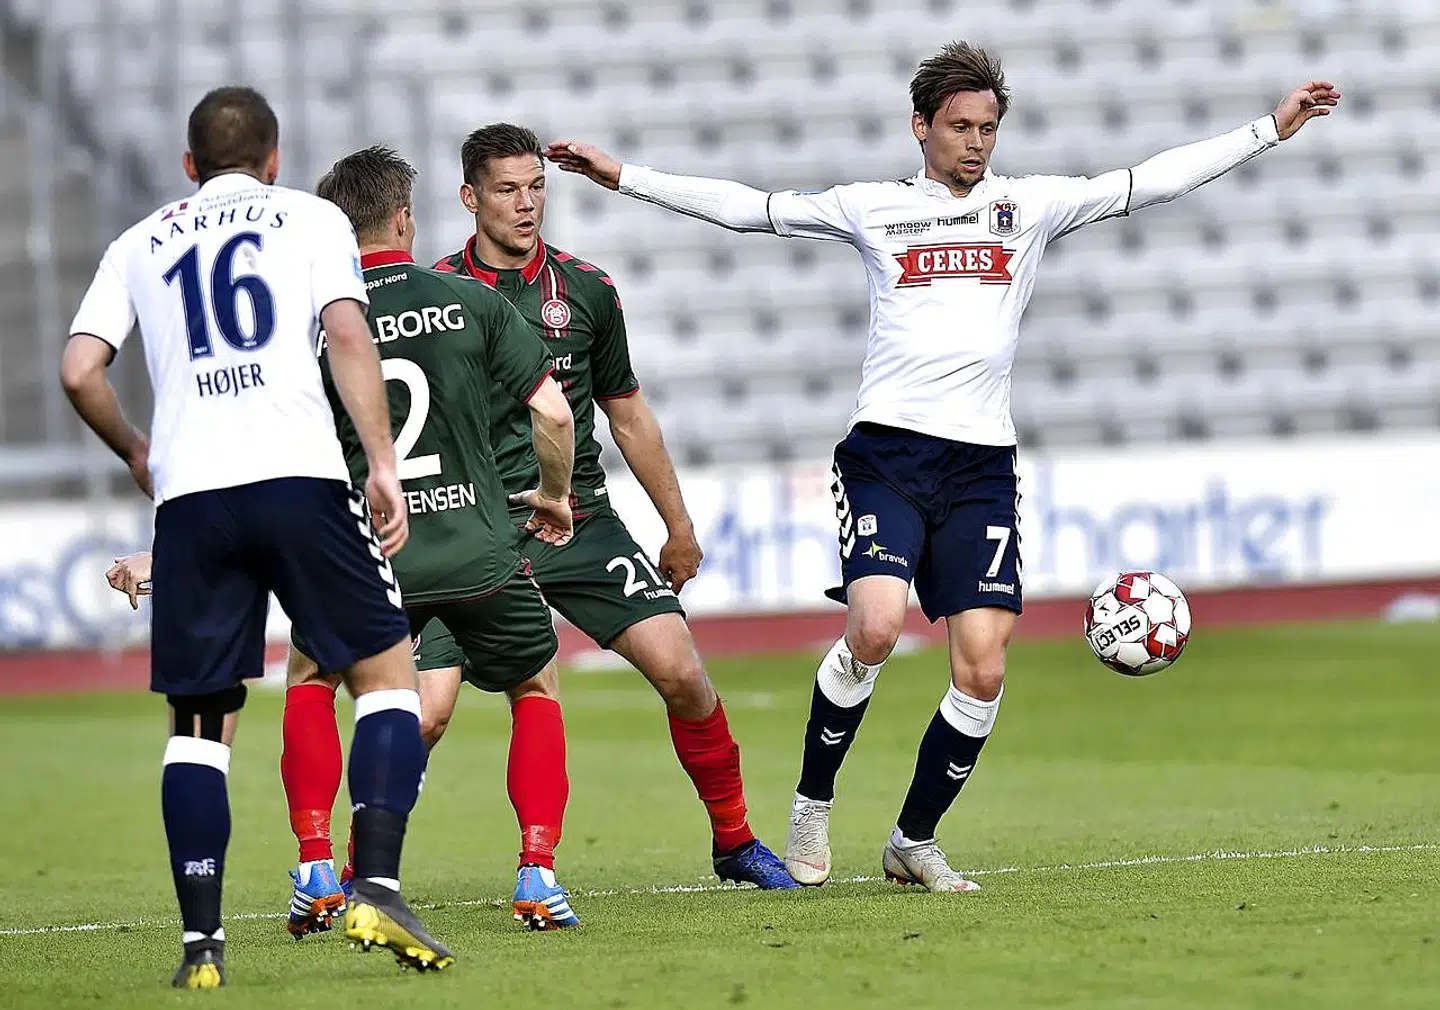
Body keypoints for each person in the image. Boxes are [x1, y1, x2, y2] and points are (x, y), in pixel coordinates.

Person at [546, 42, 1341, 891]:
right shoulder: (872, 208)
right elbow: (749, 209)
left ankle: (912, 841)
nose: (976, 143)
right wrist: (623, 175)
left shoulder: (1028, 207)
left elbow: (1151, 180)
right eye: (960, 126)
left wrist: (1268, 130)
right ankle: (812, 802)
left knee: (984, 665)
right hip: (886, 452)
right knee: (878, 626)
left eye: (989, 128)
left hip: (981, 466)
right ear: (920, 127)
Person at [61, 88, 452, 988]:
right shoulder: (312, 220)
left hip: (194, 502)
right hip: (300, 482)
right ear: (274, 160)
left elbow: (80, 369)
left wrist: (133, 449)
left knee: (199, 728)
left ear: (189, 165)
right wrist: (383, 461)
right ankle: (378, 889)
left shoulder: (139, 242)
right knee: (387, 677)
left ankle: (201, 948)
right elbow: (347, 332)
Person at [429, 123, 798, 890]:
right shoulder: (439, 297)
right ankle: (365, 871)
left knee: (682, 672)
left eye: (537, 187)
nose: (527, 204)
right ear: (470, 197)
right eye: (507, 189)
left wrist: (679, 526)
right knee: (427, 714)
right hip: (475, 528)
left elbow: (626, 412)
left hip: (582, 525)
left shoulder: (587, 289)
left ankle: (734, 843)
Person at [282, 144, 582, 933]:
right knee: (535, 689)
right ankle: (538, 875)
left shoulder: (314, 326)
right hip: (478, 550)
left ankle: (317, 868)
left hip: (370, 555)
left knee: (312, 681)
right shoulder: (471, 302)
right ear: (406, 218)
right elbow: (553, 411)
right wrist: (553, 498)